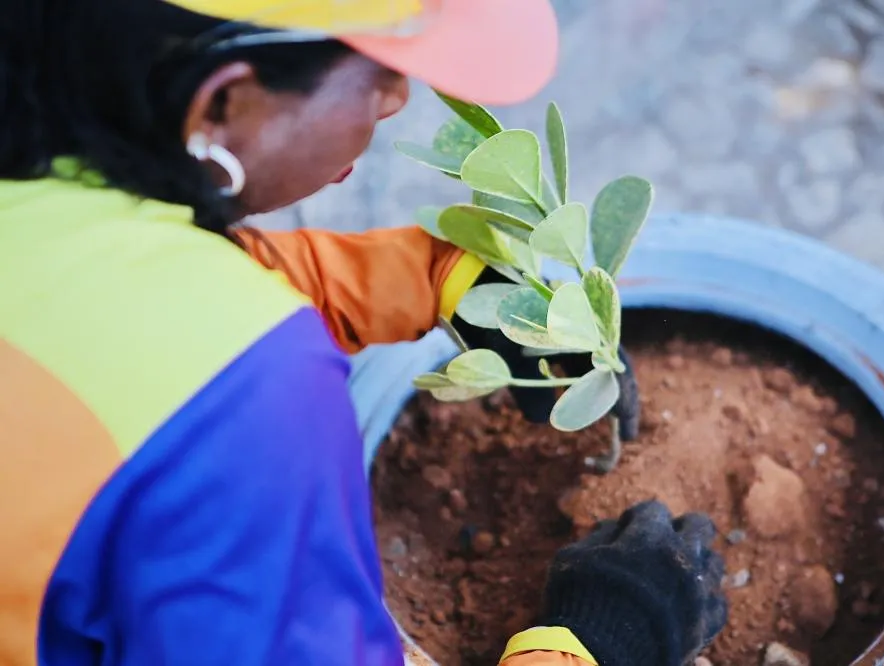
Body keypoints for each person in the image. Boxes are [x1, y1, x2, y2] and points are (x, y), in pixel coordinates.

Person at [0, 1, 727, 665]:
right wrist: (605, 638)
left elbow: (134, 291)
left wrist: (437, 280)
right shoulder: (245, 412)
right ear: (225, 100)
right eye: (378, 75)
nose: (398, 101)